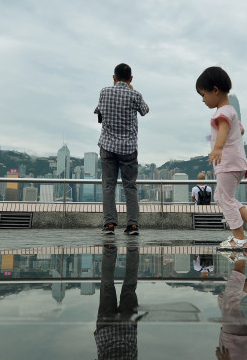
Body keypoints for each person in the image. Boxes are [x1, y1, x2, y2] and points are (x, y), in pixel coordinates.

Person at [196, 66, 247, 250]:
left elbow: (225, 129)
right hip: (236, 163)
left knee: (224, 198)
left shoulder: (222, 113)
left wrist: (218, 148)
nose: (203, 99)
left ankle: (239, 238)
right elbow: (240, 129)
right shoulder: (231, 111)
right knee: (223, 196)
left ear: (215, 90)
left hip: (228, 163)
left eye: (203, 94)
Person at [94, 63, 150, 235]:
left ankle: (109, 225)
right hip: (128, 148)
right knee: (130, 186)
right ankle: (133, 225)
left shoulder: (105, 92)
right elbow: (145, 110)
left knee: (108, 186)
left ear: (114, 77)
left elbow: (99, 115)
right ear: (131, 79)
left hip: (107, 146)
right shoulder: (135, 95)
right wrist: (131, 90)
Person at [94, 244, 140, 359]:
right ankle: (110, 248)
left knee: (129, 286)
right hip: (106, 330)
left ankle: (132, 247)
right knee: (107, 285)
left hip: (127, 329)